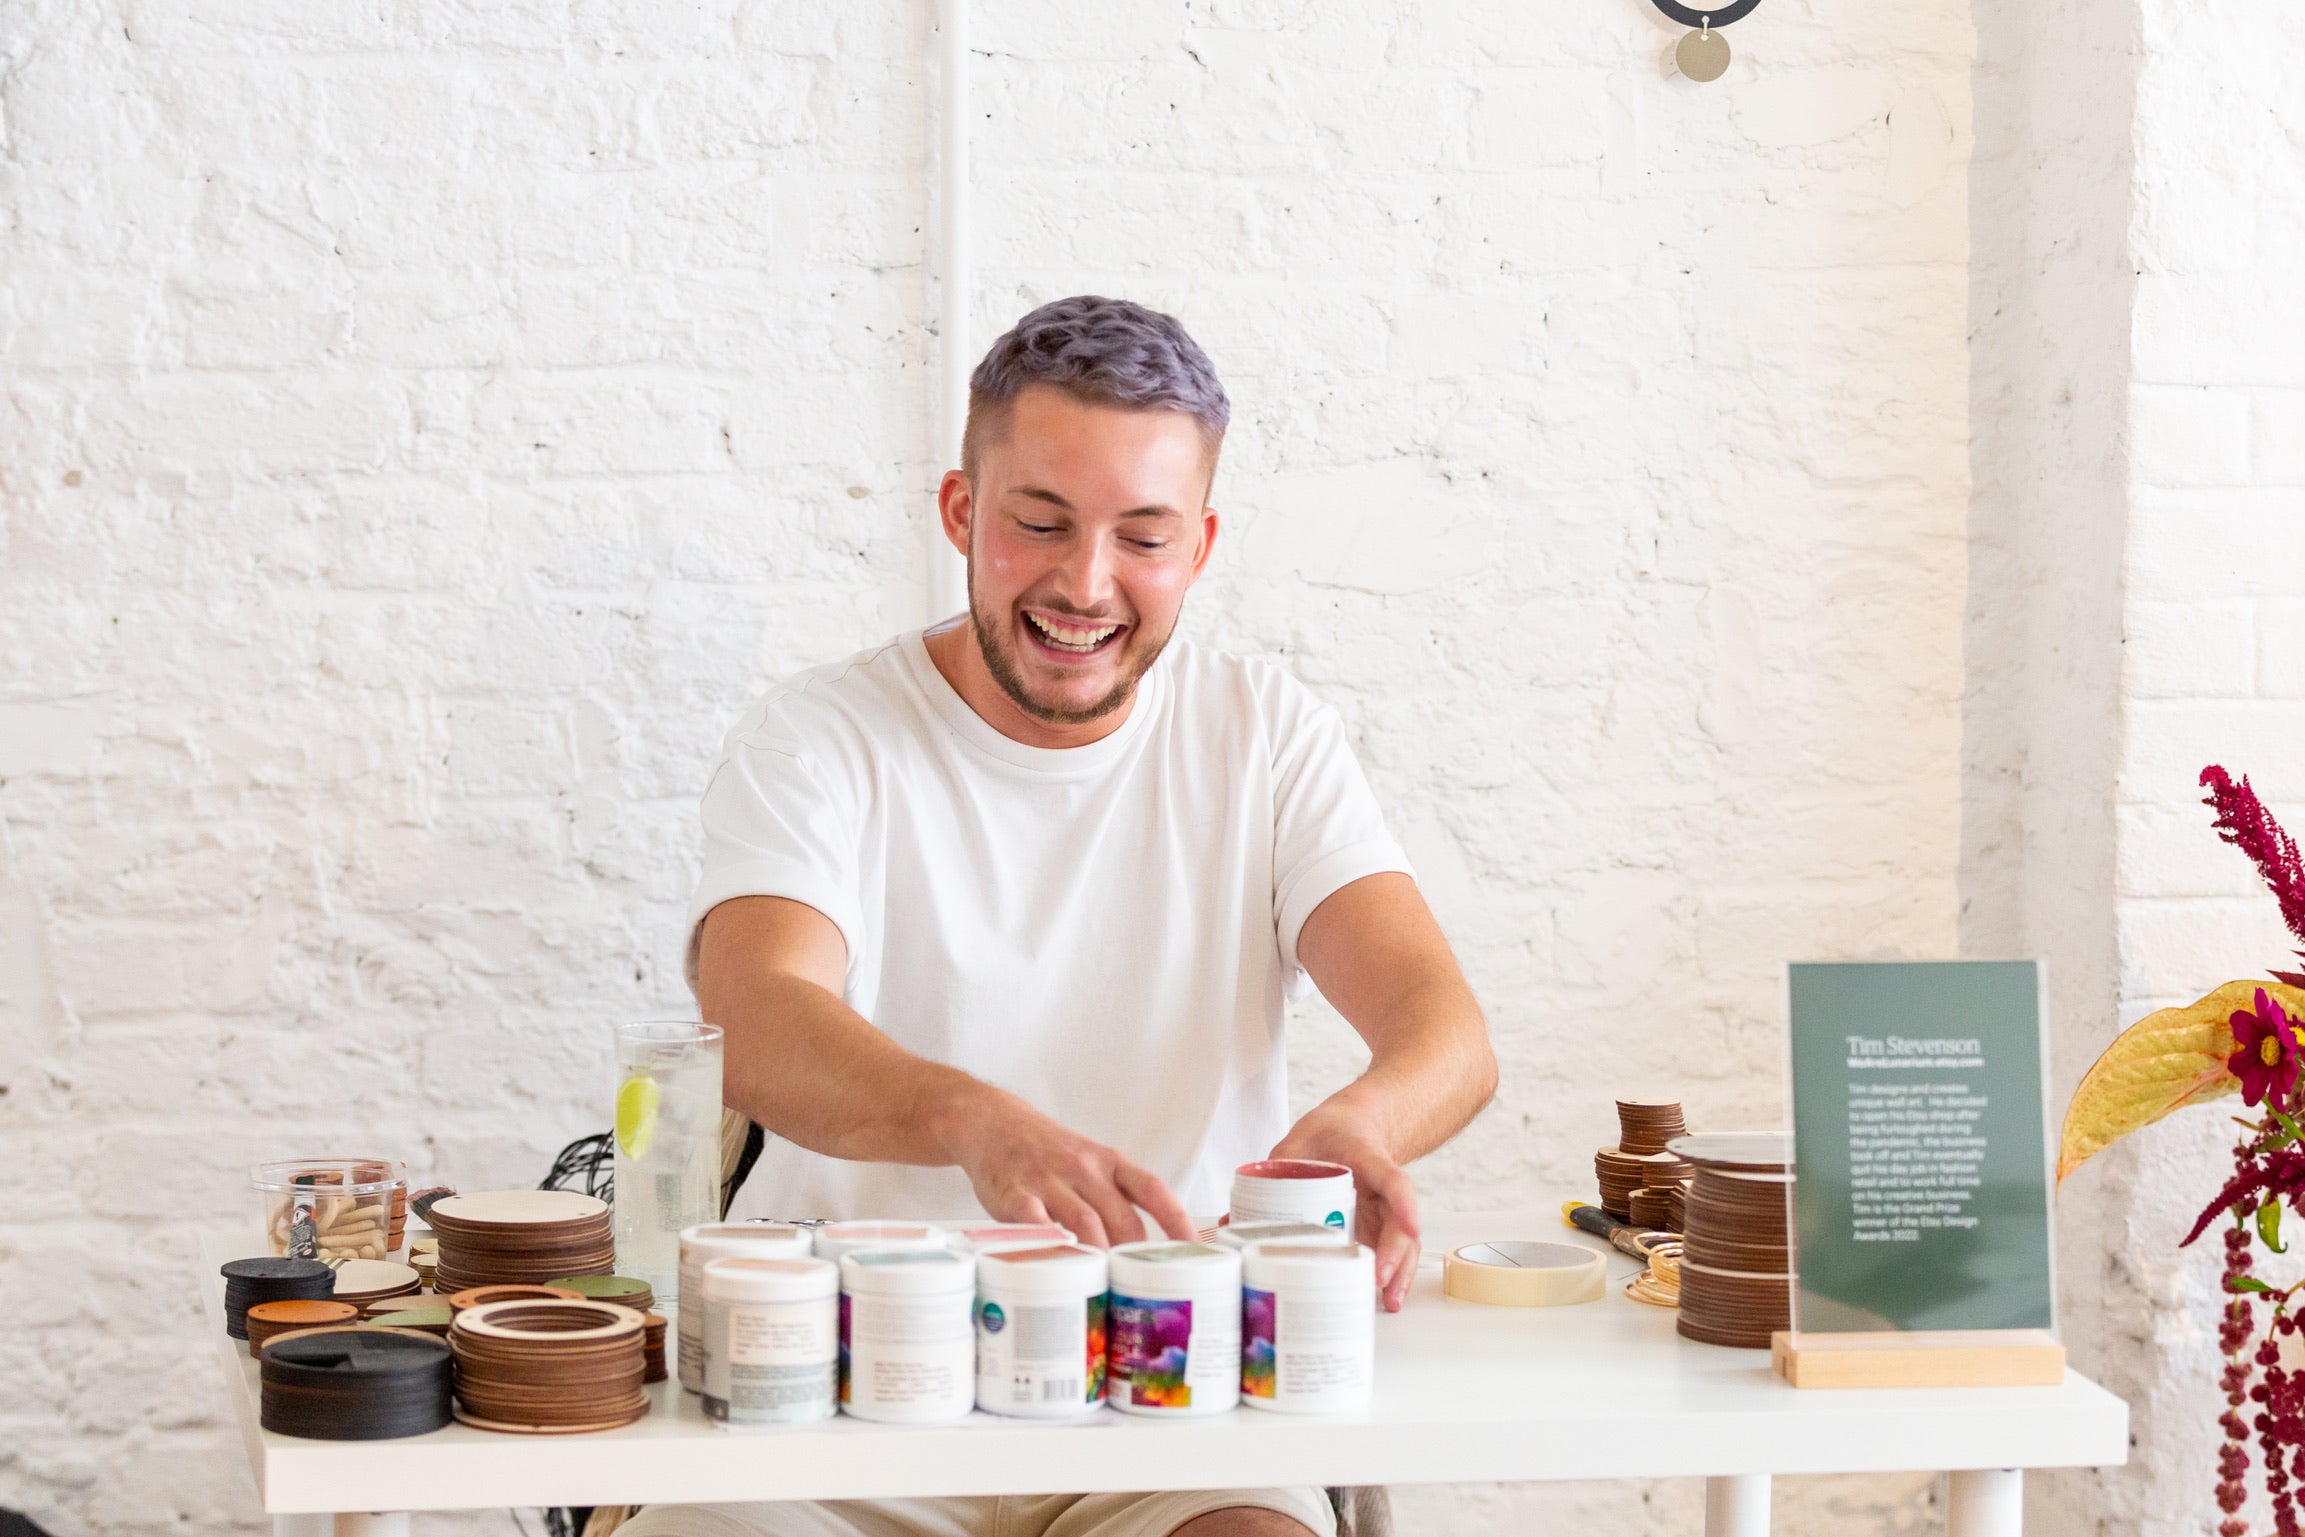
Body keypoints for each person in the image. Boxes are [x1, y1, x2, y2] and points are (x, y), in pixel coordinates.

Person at [622, 297, 1496, 1537]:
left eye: (1140, 537)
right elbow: (753, 1020)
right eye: (1040, 523)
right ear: (961, 514)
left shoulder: (1263, 733)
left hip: (1170, 1401)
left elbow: (1444, 1028)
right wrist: (976, 1122)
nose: (1085, 584)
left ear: (1198, 546)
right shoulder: (821, 739)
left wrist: (1363, 1120)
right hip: (831, 1397)